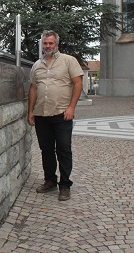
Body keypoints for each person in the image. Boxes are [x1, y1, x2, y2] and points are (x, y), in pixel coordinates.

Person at [27, 30, 83, 201]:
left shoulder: (68, 61)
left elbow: (78, 83)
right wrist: (30, 111)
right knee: (46, 150)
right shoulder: (37, 65)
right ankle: (50, 180)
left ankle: (65, 185)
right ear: (42, 44)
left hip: (62, 114)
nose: (48, 46)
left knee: (64, 149)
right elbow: (33, 88)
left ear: (57, 44)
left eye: (51, 43)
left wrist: (71, 107)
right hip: (42, 115)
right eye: (45, 43)